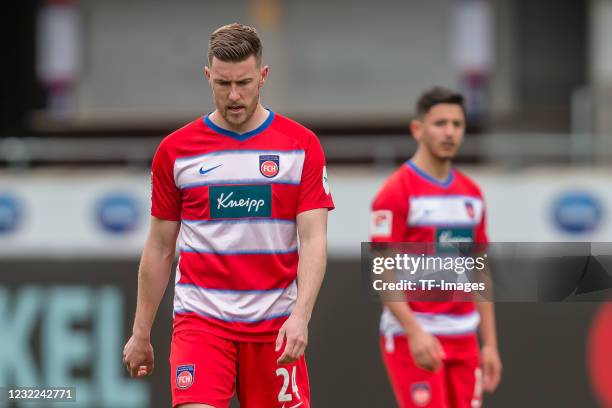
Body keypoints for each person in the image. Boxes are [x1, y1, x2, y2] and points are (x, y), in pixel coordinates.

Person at [123, 23, 334, 408]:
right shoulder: (176, 151)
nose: (234, 95)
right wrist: (141, 333)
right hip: (202, 322)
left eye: (244, 82)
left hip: (276, 327)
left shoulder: (301, 146)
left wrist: (301, 316)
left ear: (263, 77)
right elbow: (159, 248)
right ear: (208, 77)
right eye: (223, 84)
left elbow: (315, 240)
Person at [370, 87, 502, 408]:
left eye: (457, 124)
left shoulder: (471, 194)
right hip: (413, 337)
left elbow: (478, 271)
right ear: (418, 129)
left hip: (464, 338)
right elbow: (381, 275)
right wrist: (414, 331)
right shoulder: (396, 192)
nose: (449, 132)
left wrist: (490, 344)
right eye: (440, 123)